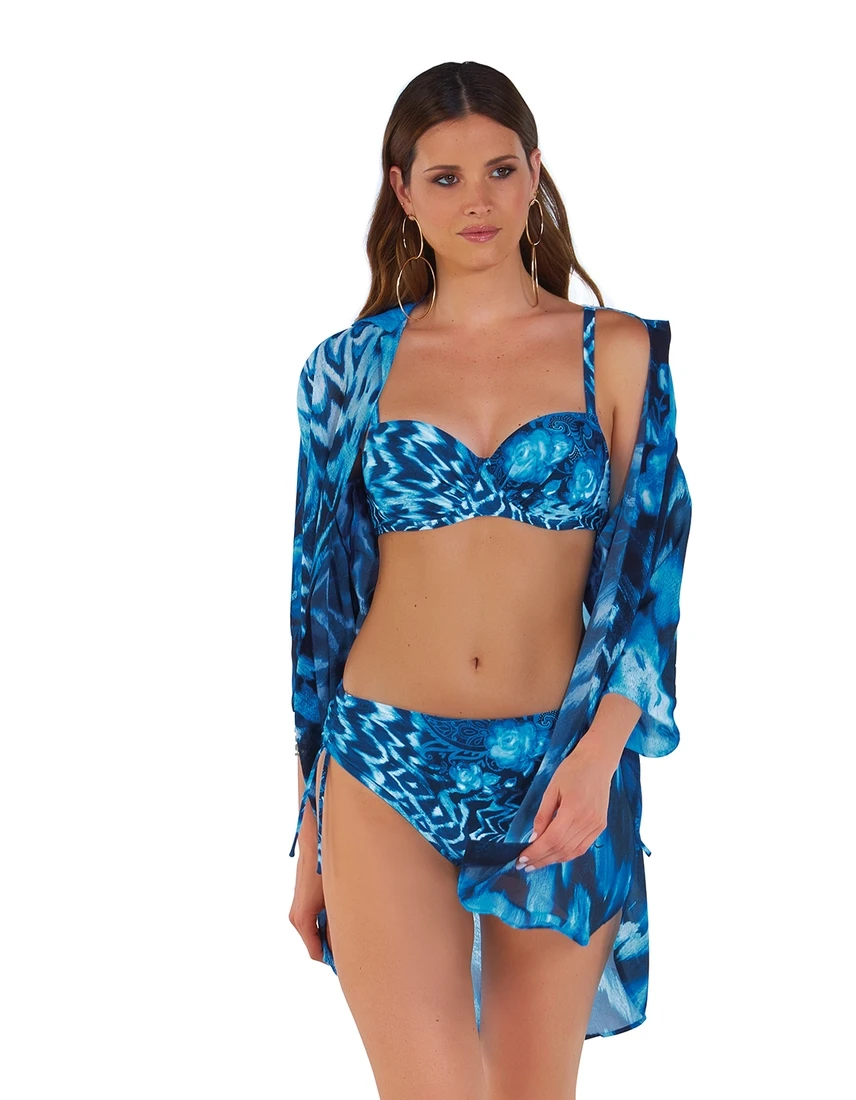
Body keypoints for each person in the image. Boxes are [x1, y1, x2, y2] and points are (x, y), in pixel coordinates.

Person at [287, 60, 692, 1100]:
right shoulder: (348, 369)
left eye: (500, 170)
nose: (477, 199)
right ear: (401, 190)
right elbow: (317, 605)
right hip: (381, 760)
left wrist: (600, 756)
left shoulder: (617, 353)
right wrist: (308, 830)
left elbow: (650, 576)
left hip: (559, 765)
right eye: (445, 176)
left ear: (535, 173)